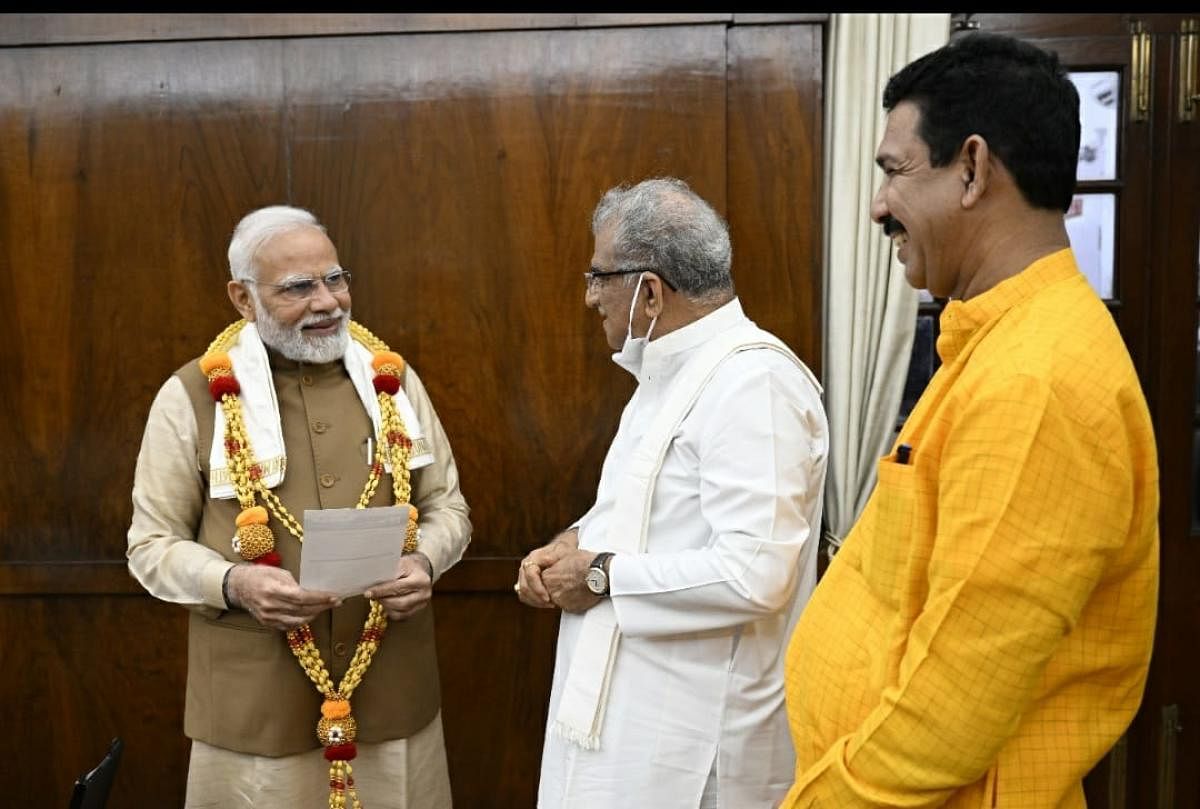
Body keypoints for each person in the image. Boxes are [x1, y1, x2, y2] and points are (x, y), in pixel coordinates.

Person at [779, 32, 1159, 808]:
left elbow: (954, 702)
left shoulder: (1038, 378)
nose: (880, 205)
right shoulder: (999, 345)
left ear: (974, 169)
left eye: (893, 171)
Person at [127, 205, 471, 809]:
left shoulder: (393, 381)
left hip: (392, 694)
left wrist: (427, 564)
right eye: (298, 288)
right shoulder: (190, 396)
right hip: (255, 710)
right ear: (242, 297)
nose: (328, 302)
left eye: (335, 279)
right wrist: (233, 582)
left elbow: (448, 508)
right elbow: (149, 547)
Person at [517, 177, 829, 809]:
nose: (589, 297)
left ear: (650, 291)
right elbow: (644, 506)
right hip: (630, 722)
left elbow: (755, 573)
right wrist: (571, 542)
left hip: (693, 746)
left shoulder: (752, 383)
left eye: (599, 276)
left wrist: (601, 576)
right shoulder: (669, 369)